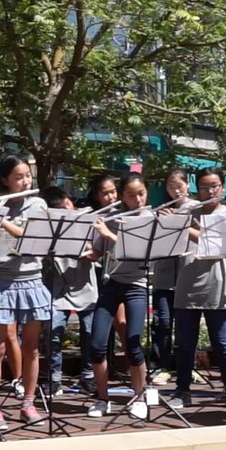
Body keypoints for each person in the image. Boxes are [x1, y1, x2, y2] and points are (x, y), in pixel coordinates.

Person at [0, 156, 51, 430]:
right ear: (5, 180)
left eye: (27, 175)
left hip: (30, 279)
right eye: (19, 177)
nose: (25, 181)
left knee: (31, 348)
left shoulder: (38, 203)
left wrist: (1, 220)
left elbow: (31, 236)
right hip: (0, 280)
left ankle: (28, 403)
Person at [169, 167, 226, 411]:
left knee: (223, 342)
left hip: (218, 286)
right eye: (204, 187)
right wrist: (167, 222)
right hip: (187, 285)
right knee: (185, 343)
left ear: (223, 188)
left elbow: (216, 242)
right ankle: (182, 390)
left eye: (214, 186)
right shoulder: (187, 212)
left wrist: (183, 226)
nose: (209, 191)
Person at [86, 173, 152, 418]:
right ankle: (103, 399)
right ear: (123, 195)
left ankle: (139, 397)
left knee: (134, 343)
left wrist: (107, 233)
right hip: (111, 283)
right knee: (96, 345)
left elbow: (136, 251)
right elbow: (96, 253)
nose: (137, 199)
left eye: (141, 193)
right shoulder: (111, 217)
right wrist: (76, 248)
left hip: (136, 285)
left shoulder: (148, 218)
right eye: (131, 195)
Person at [40, 186, 97, 396]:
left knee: (90, 334)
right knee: (53, 333)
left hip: (85, 286)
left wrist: (87, 252)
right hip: (57, 287)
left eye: (67, 204)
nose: (67, 209)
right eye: (59, 208)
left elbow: (96, 252)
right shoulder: (45, 226)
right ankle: (55, 379)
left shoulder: (86, 220)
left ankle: (88, 376)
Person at [150, 170, 194, 386]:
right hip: (164, 274)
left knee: (185, 325)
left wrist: (178, 221)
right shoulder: (163, 210)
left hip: (187, 272)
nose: (175, 190)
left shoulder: (196, 208)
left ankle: (187, 365)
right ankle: (162, 365)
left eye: (179, 186)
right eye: (170, 186)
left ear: (187, 185)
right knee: (163, 322)